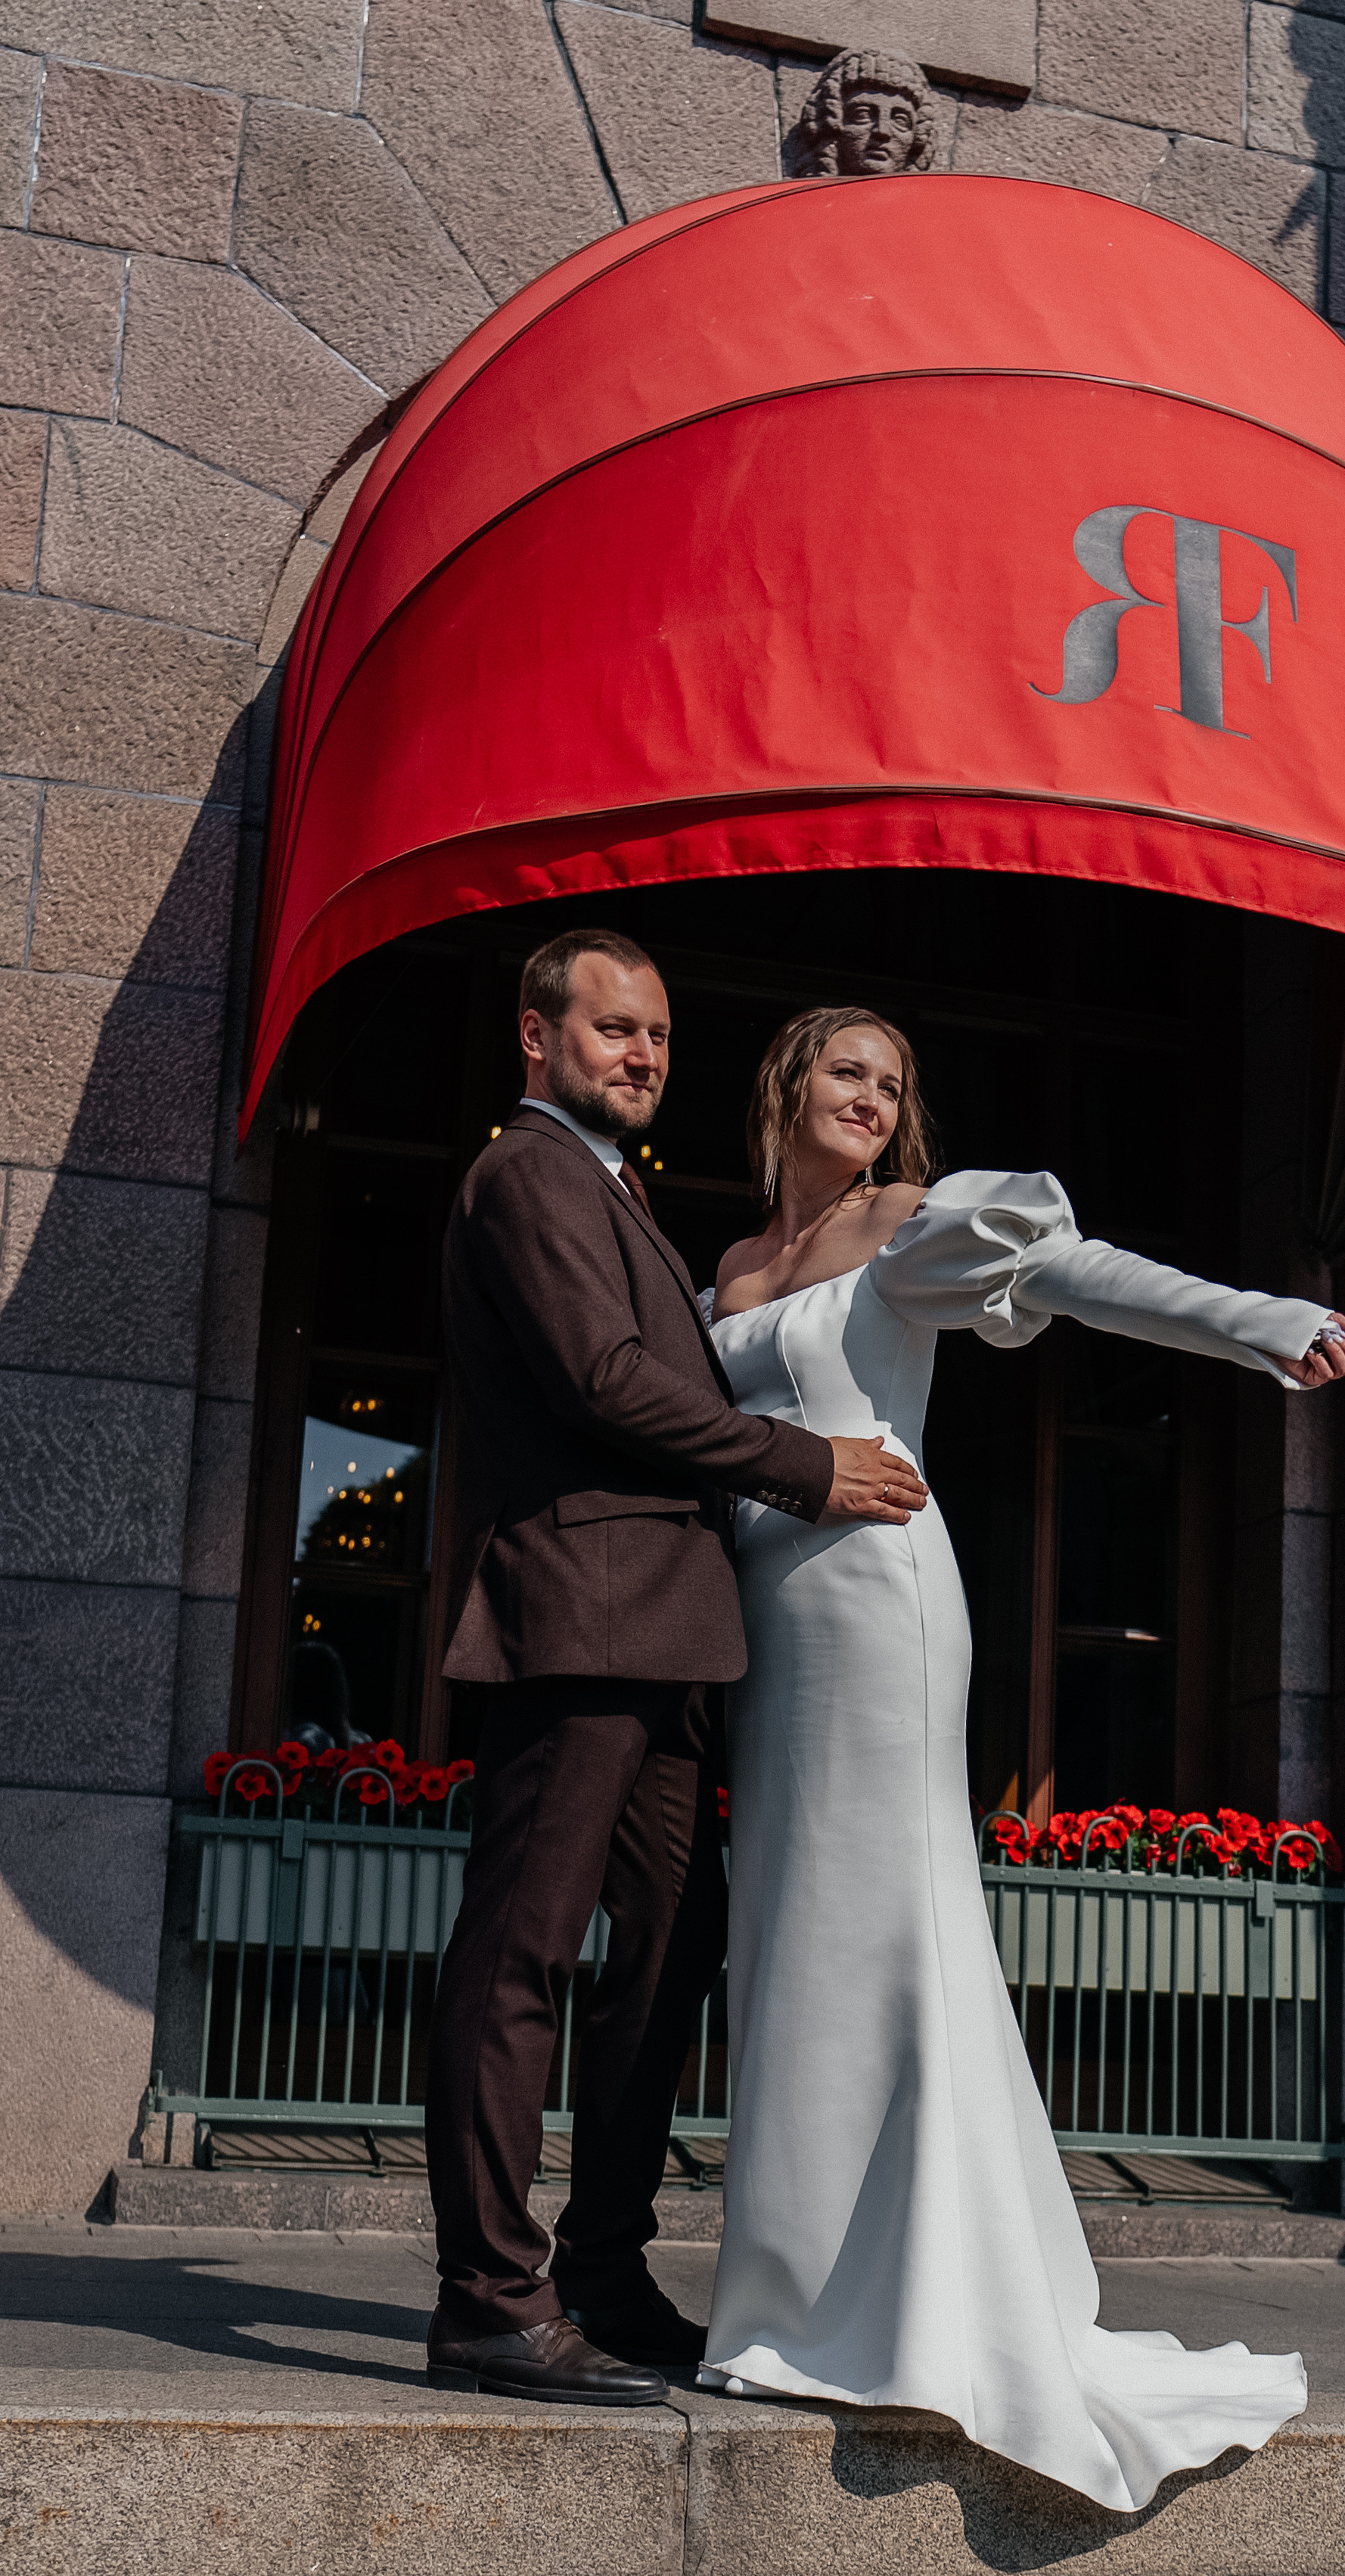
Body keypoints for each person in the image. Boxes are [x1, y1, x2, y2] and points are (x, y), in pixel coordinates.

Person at [695, 1005, 1345, 2509]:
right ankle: (786, 2307)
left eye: (892, 1080)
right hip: (764, 1631)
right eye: (843, 1070)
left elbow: (1075, 1277)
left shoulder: (908, 1226)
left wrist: (1260, 1320)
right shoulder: (730, 1270)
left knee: (885, 1938)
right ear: (784, 1085)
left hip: (878, 1606)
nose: (870, 1097)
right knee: (789, 1947)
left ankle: (916, 2311)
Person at [423, 933, 929, 2408]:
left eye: (653, 1034)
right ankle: (485, 2299)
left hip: (667, 1637)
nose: (638, 1052)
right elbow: (602, 1379)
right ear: (537, 1036)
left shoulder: (608, 1185)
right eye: (609, 1028)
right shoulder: (523, 1175)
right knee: (519, 1955)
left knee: (666, 1950)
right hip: (574, 1618)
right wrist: (800, 1466)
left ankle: (597, 2264)